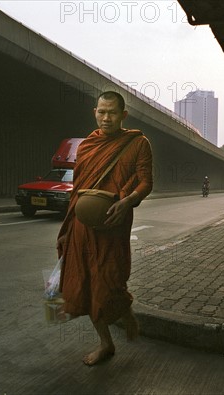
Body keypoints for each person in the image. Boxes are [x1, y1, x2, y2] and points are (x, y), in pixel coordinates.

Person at [56, 91, 153, 366]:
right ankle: (106, 343)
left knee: (110, 278)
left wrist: (127, 202)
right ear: (94, 112)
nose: (106, 117)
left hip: (113, 222)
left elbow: (146, 182)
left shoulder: (137, 143)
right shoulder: (87, 145)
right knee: (87, 283)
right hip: (81, 225)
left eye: (112, 112)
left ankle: (124, 309)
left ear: (123, 115)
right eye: (101, 111)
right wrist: (66, 227)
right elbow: (77, 189)